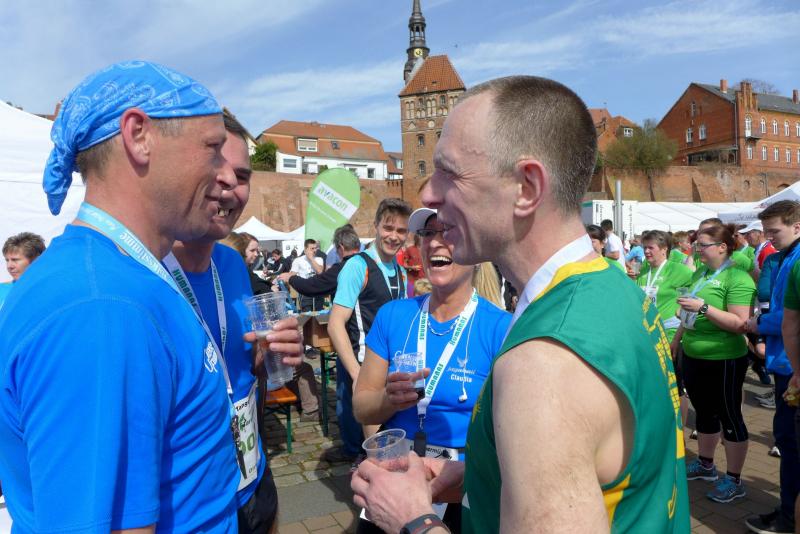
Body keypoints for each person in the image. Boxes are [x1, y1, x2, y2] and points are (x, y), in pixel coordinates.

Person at [351, 76, 688, 533]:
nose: (428, 194)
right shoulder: (614, 287)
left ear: (526, 188)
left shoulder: (543, 362)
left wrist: (412, 519)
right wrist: (481, 477)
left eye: (450, 172)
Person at [0, 61, 301, 532]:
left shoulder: (123, 281)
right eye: (211, 149)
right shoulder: (102, 308)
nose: (221, 176)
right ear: (138, 137)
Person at [168, 112, 304, 532]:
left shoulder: (230, 264)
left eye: (242, 175)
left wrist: (272, 354)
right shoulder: (146, 274)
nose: (229, 183)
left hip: (252, 478)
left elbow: (244, 365)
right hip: (192, 510)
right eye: (214, 167)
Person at [353, 208, 511, 533]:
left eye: (449, 232)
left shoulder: (502, 328)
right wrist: (388, 400)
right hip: (396, 477)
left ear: (476, 252)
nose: (436, 242)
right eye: (427, 234)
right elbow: (362, 407)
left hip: (461, 485)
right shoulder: (392, 315)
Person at [325, 198, 412, 465]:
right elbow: (335, 323)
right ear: (376, 226)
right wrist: (356, 373)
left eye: (401, 231)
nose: (394, 236)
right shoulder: (357, 266)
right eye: (388, 228)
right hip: (363, 364)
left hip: (390, 367)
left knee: (393, 449)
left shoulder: (401, 272)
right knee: (377, 454)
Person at [674, 223, 755, 504]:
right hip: (693, 353)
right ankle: (706, 464)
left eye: (703, 245)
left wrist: (704, 308)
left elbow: (741, 324)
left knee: (729, 416)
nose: (697, 250)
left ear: (722, 247)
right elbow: (689, 309)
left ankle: (734, 479)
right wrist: (678, 337)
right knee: (704, 412)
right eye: (696, 245)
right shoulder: (701, 273)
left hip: (724, 358)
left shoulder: (738, 278)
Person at [744, 200, 800, 533]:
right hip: (785, 363)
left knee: (790, 444)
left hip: (792, 368)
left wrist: (759, 324)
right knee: (787, 442)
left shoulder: (796, 260)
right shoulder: (785, 257)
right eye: (765, 231)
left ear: (797, 226)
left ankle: (789, 517)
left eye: (774, 231)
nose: (768, 237)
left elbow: (789, 318)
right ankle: (787, 509)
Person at [636, 230, 693, 429]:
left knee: (675, 385)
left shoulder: (680, 271)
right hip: (647, 335)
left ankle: (680, 432)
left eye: (650, 248)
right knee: (654, 382)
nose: (646, 252)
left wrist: (678, 335)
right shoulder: (644, 271)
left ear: (664, 249)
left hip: (670, 334)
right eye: (644, 247)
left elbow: (691, 300)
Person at [277, 225, 361, 299]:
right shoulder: (365, 261)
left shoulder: (341, 268)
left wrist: (291, 278)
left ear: (341, 248)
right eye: (312, 248)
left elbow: (315, 284)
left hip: (315, 292)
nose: (336, 252)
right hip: (305, 295)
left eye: (336, 249)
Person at [0, 232, 45, 309]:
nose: (9, 266)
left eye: (15, 260)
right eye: (7, 260)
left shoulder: (51, 288)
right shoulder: (2, 289)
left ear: (35, 260)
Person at [291, 239, 325, 311]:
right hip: (305, 293)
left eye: (315, 248)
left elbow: (320, 271)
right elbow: (292, 275)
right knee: (306, 315)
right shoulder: (298, 260)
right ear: (305, 249)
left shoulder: (319, 259)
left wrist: (311, 259)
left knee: (319, 314)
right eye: (312, 248)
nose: (314, 250)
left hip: (318, 291)